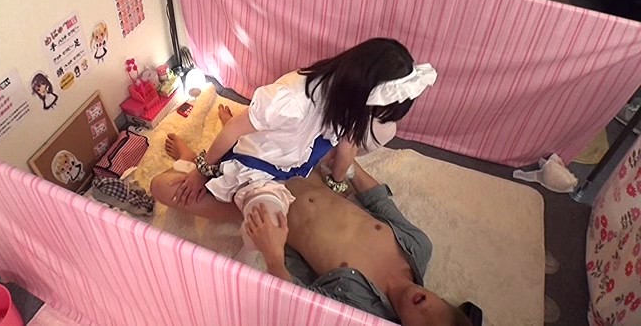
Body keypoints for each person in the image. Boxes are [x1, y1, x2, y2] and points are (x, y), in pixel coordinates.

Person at [150, 38, 437, 261]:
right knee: (166, 188)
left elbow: (345, 150)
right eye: (376, 114)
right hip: (254, 164)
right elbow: (235, 130)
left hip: (293, 161)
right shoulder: (291, 101)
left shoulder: (348, 108)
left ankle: (221, 169)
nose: (375, 122)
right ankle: (195, 160)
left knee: (269, 212)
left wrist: (339, 179)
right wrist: (202, 170)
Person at [159, 123, 471, 326]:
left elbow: (297, 302)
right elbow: (377, 198)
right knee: (282, 121)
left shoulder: (359, 311)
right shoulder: (418, 246)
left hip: (265, 207)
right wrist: (346, 163)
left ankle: (194, 160)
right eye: (442, 314)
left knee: (161, 187)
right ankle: (210, 160)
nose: (428, 311)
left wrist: (273, 255)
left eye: (427, 325)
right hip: (308, 171)